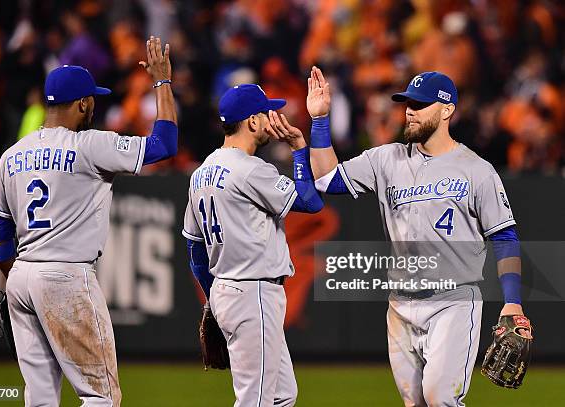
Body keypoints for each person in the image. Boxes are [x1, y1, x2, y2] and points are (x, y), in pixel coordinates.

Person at [307, 68, 530, 406]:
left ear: (446, 110)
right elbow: (326, 180)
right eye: (408, 102)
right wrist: (320, 120)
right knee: (416, 404)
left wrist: (512, 301)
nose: (409, 110)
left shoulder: (476, 170)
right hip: (400, 305)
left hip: (453, 301)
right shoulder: (386, 158)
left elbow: (504, 236)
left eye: (420, 104)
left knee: (440, 398)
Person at [0, 36, 177, 407]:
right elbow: (164, 145)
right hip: (67, 277)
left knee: (39, 398)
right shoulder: (88, 145)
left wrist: (18, 277)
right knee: (100, 396)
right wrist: (162, 83)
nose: (94, 107)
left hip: (22, 278)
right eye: (93, 100)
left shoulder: (12, 155)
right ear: (84, 103)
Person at [183, 83, 324, 407]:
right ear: (252, 122)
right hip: (252, 294)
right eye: (265, 112)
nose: (272, 117)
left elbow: (194, 249)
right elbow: (311, 201)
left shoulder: (201, 173)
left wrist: (211, 302)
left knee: (282, 394)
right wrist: (299, 147)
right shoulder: (250, 169)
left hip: (228, 291)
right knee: (256, 400)